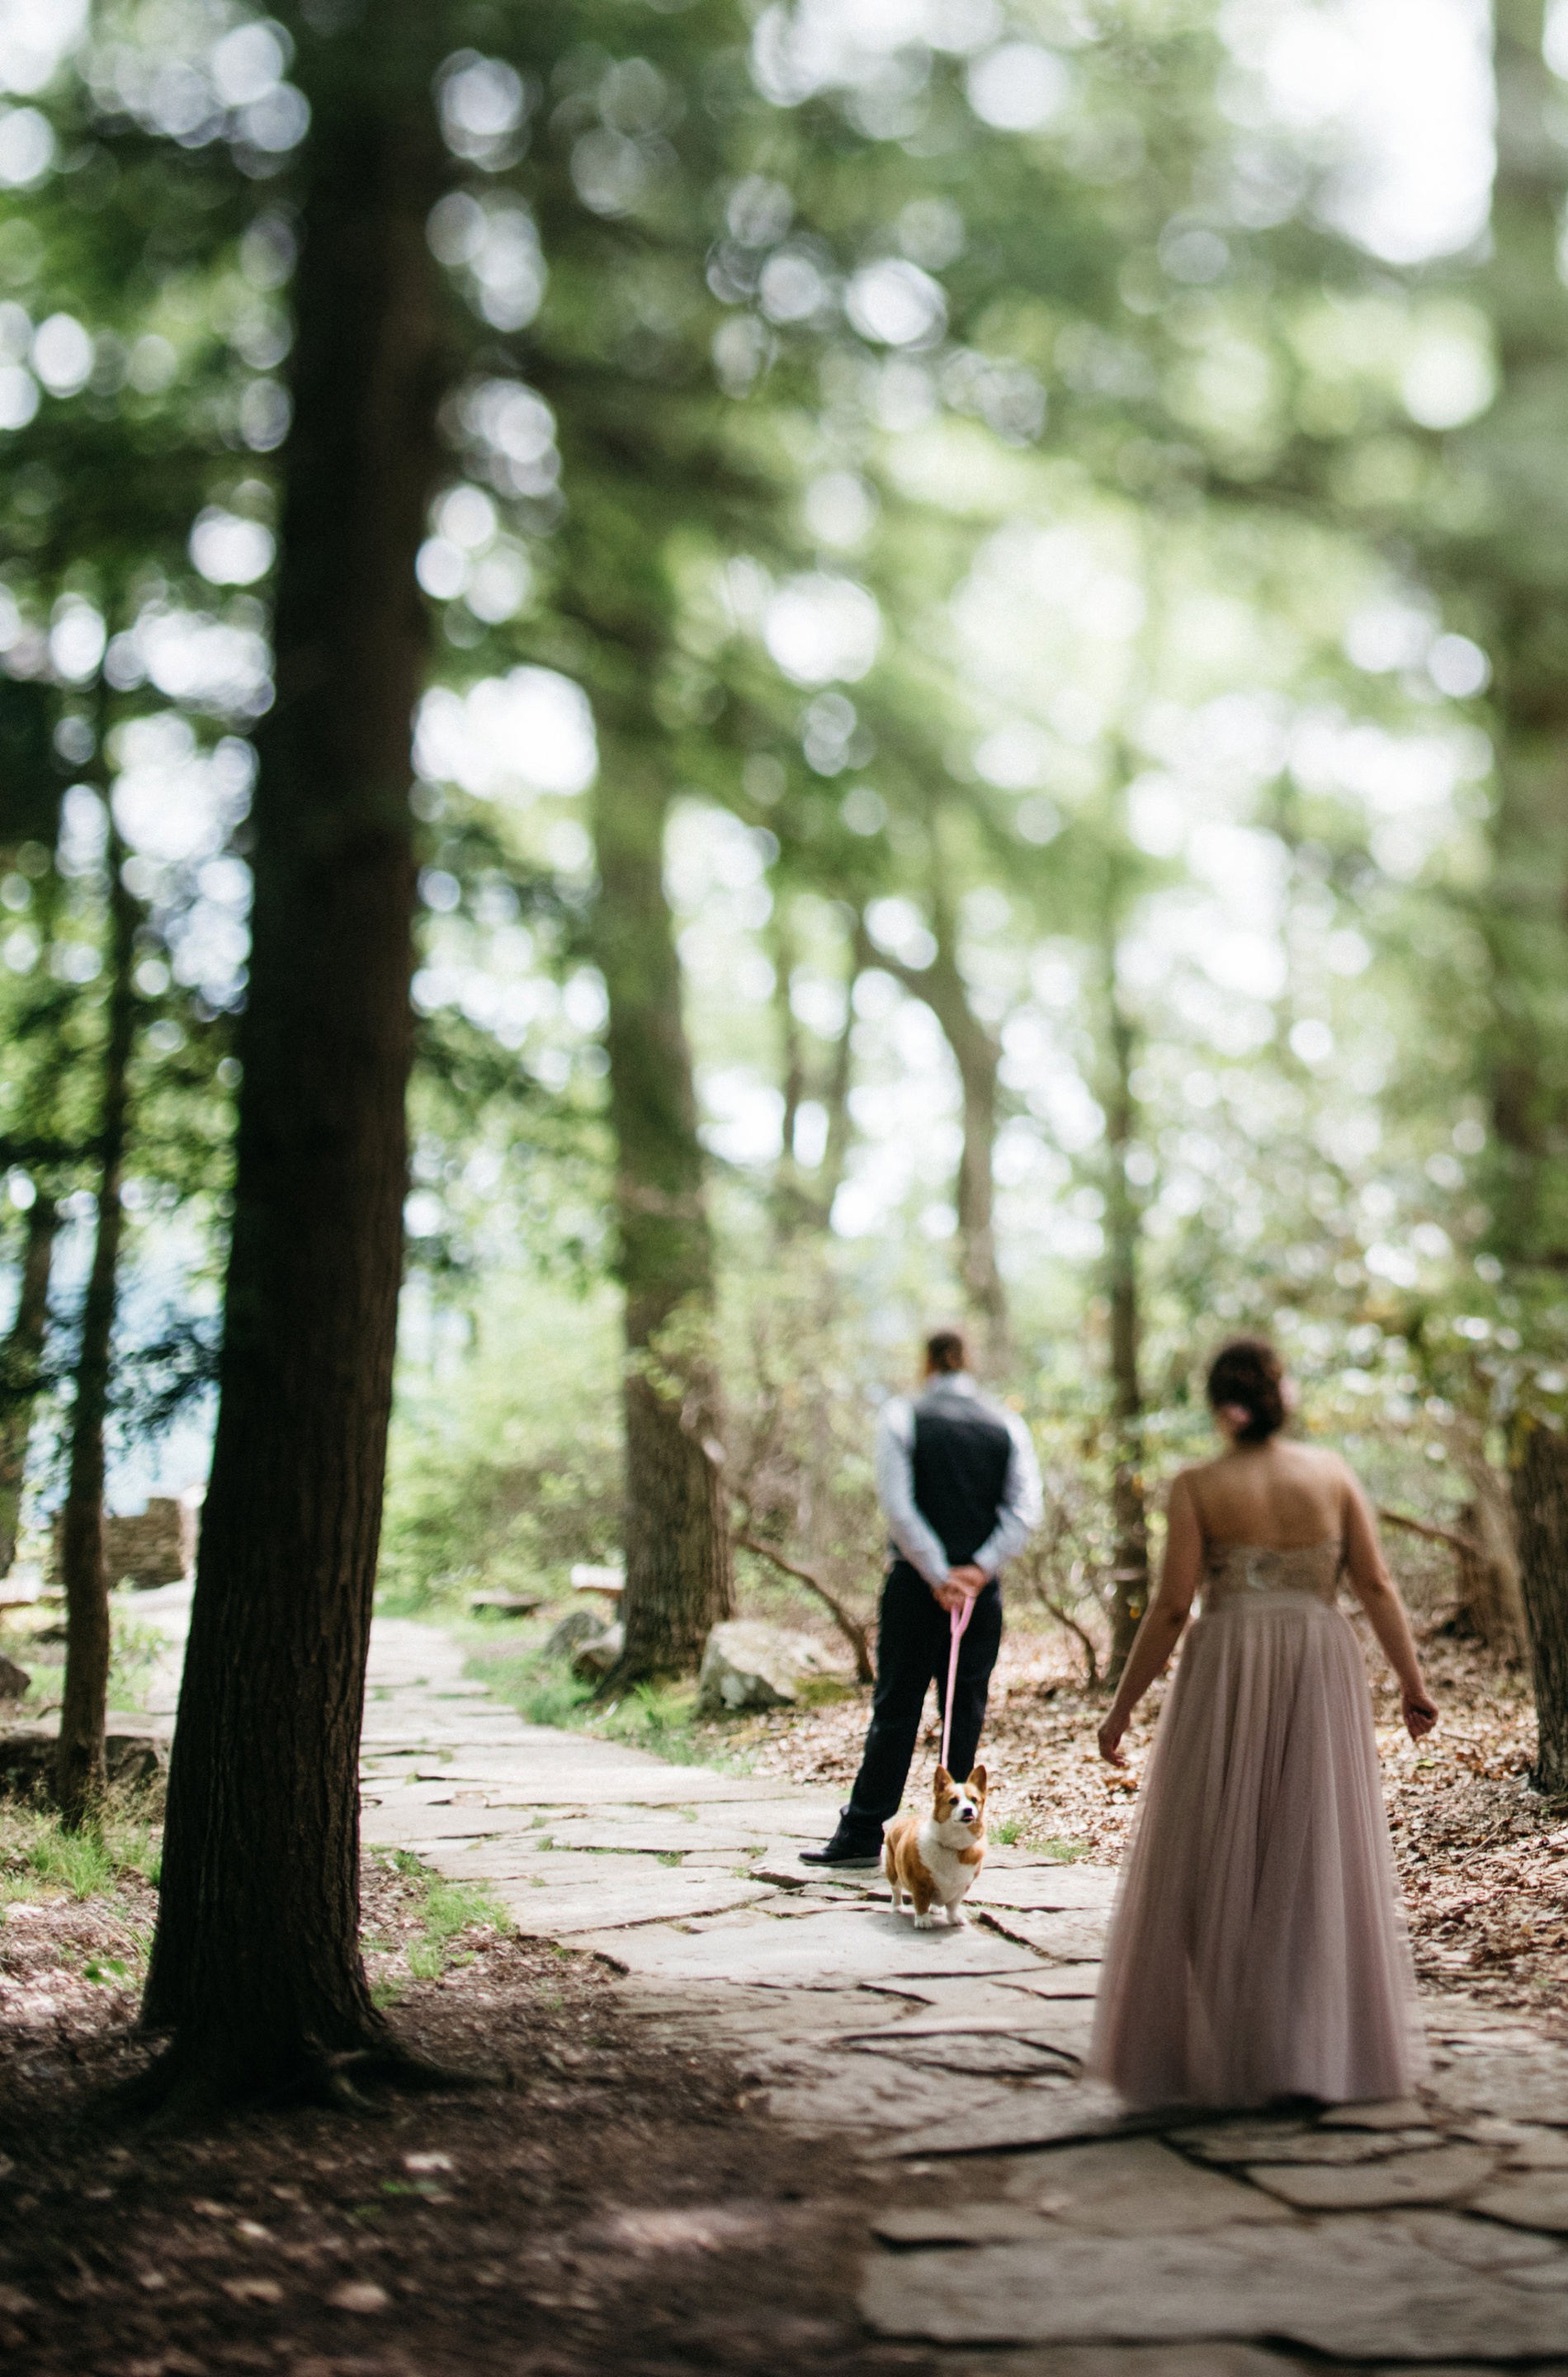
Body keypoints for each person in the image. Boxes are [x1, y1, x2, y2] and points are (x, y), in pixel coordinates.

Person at [1089, 1335, 1438, 2112]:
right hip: (1319, 1661)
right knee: (1315, 1850)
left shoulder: (1196, 1485)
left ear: (1219, 1405)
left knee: (1217, 1852)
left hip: (1228, 1667)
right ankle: (1308, 2051)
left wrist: (1122, 1708)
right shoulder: (1331, 1474)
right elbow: (1375, 1584)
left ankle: (1234, 2048)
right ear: (1281, 1395)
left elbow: (1175, 1606)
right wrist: (1412, 1684)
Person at [801, 1327, 1042, 1869]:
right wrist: (977, 1570)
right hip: (981, 1592)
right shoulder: (1006, 1422)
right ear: (967, 1362)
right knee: (965, 1712)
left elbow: (898, 1503)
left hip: (916, 1587)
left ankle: (863, 1832)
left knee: (896, 1708)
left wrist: (938, 1574)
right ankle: (956, 1846)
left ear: (926, 1363)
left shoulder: (901, 1415)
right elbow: (1025, 1509)